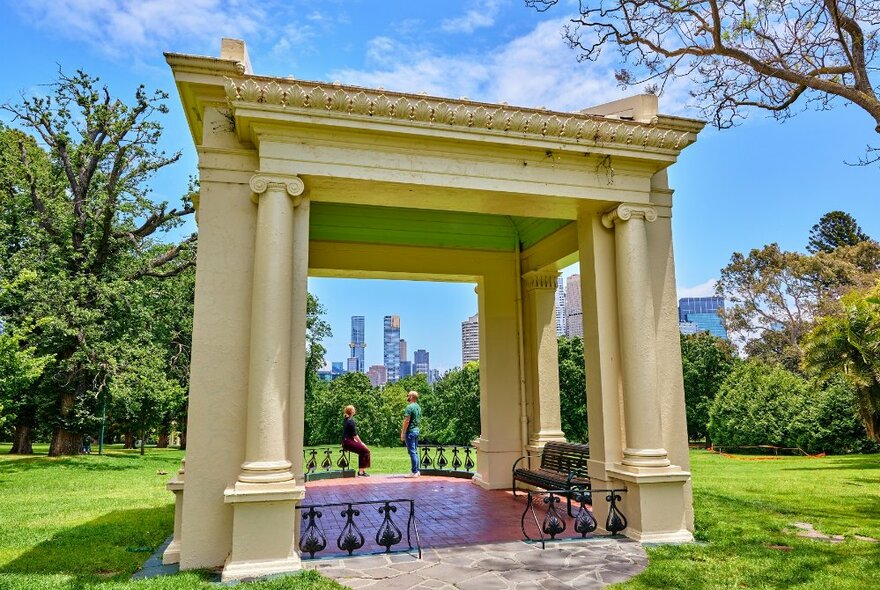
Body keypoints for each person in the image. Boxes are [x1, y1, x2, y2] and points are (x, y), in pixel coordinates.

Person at [341, 405, 371, 477]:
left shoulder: (346, 420)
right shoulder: (351, 421)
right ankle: (361, 472)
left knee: (363, 451)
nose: (355, 410)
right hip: (348, 442)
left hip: (345, 441)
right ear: (351, 411)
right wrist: (361, 443)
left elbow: (348, 433)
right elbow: (355, 435)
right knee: (366, 451)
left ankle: (362, 470)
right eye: (354, 409)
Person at [400, 391, 422, 477]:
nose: (407, 396)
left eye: (408, 395)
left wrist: (403, 432)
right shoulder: (418, 407)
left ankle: (414, 471)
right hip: (416, 430)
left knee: (412, 452)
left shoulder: (409, 407)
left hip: (410, 431)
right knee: (415, 451)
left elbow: (406, 421)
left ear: (412, 397)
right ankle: (417, 470)